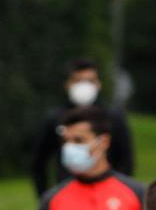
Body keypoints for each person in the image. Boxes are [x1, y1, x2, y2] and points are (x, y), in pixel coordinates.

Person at [28, 59, 136, 196]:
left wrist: (120, 192)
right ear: (68, 84)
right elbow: (39, 161)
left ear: (98, 84)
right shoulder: (55, 118)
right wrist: (45, 196)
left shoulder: (113, 118)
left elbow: (125, 160)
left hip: (108, 194)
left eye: (90, 81)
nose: (84, 86)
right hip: (66, 192)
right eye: (78, 80)